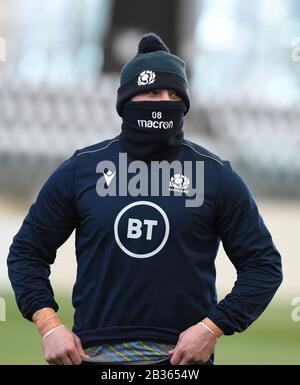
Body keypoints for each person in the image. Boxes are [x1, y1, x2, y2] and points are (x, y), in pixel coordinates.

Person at [7, 32, 283, 366]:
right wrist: (49, 326)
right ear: (127, 100)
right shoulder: (83, 169)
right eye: (153, 91)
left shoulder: (215, 175)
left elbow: (263, 265)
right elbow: (27, 252)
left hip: (182, 363)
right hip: (94, 355)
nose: (164, 102)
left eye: (173, 94)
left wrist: (212, 327)